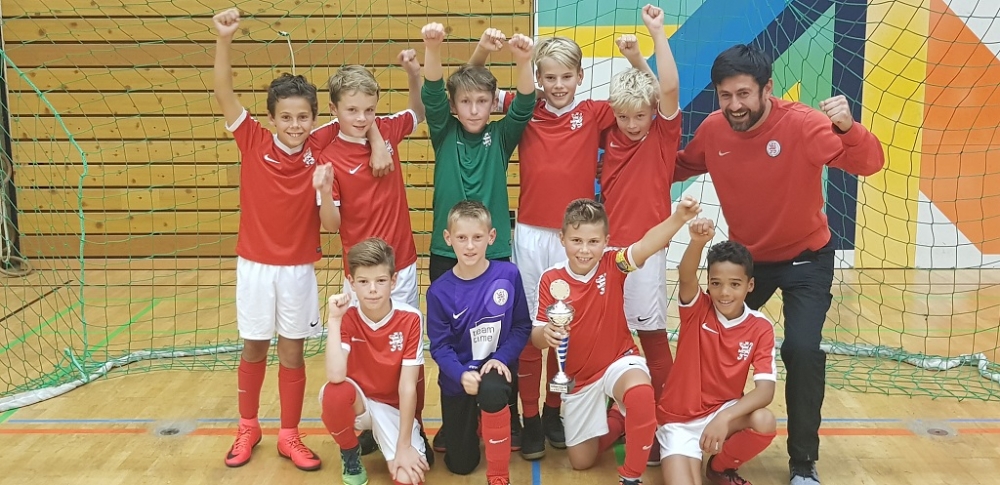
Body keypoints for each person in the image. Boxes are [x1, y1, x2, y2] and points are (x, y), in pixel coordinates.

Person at [674, 44, 887, 485]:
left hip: (806, 257)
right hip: (748, 261)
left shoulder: (805, 124)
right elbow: (677, 166)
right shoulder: (714, 130)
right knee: (701, 338)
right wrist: (619, 156)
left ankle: (803, 463)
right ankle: (690, 430)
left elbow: (869, 163)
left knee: (802, 351)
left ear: (766, 88)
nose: (734, 105)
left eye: (744, 94)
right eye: (726, 95)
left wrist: (849, 127)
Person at [467, 26, 660, 459]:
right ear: (537, 77)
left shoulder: (595, 112)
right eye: (550, 77)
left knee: (568, 326)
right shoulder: (523, 105)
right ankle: (531, 418)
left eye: (566, 77)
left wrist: (636, 58)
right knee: (532, 327)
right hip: (530, 236)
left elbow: (650, 101)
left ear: (580, 77)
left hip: (576, 240)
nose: (558, 85)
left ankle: (556, 409)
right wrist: (482, 51)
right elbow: (468, 87)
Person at [420, 23, 536, 455]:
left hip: (496, 256)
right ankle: (457, 422)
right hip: (445, 256)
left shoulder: (501, 137)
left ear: (492, 103)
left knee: (501, 338)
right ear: (454, 106)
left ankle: (509, 416)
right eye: (465, 102)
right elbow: (433, 90)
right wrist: (432, 47)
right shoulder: (443, 131)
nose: (473, 109)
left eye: (482, 101)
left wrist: (524, 60)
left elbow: (526, 103)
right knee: (453, 342)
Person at [533, 196, 701, 485]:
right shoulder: (551, 279)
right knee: (581, 461)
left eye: (593, 242)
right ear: (562, 239)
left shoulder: (614, 264)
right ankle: (619, 420)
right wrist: (546, 333)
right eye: (576, 241)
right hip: (579, 379)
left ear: (606, 242)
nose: (584, 249)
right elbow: (536, 338)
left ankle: (631, 475)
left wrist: (679, 217)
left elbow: (646, 245)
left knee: (640, 393)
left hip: (618, 361)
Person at [314, 56, 433, 463]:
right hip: (360, 275)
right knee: (360, 353)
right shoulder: (328, 153)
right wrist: (324, 190)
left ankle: (414, 424)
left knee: (407, 352)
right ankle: (365, 425)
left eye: (369, 109)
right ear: (334, 110)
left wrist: (413, 76)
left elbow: (417, 111)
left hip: (400, 267)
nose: (362, 118)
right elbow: (331, 224)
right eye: (352, 110)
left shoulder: (387, 130)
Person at [599, 6, 682, 464]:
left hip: (646, 253)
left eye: (640, 117)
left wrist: (655, 34)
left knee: (651, 335)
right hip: (606, 252)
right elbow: (641, 95)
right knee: (608, 337)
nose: (632, 125)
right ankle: (615, 411)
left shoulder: (661, 136)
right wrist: (633, 63)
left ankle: (663, 421)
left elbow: (665, 89)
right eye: (624, 117)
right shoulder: (610, 132)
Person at [657, 217, 777, 485]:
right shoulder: (697, 309)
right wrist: (697, 242)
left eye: (734, 284)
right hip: (679, 420)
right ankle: (671, 447)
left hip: (724, 411)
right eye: (716, 283)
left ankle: (720, 468)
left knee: (764, 420)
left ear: (750, 285)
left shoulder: (760, 327)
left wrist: (724, 417)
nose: (724, 293)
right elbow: (686, 274)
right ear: (708, 283)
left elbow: (765, 392)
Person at [425, 200, 532, 485]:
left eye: (477, 237)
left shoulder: (509, 275)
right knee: (460, 465)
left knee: (493, 390)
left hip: (494, 370)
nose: (470, 246)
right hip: (458, 378)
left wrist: (501, 358)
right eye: (461, 237)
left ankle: (498, 473)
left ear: (491, 237)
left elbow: (522, 326)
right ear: (448, 238)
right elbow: (440, 347)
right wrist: (461, 375)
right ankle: (472, 422)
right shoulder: (438, 292)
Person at [320, 238, 429, 485]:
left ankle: (395, 441)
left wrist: (403, 446)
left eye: (380, 281)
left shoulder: (410, 319)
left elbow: (408, 387)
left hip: (393, 408)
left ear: (393, 280)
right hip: (360, 405)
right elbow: (336, 376)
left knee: (409, 478)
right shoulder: (347, 317)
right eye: (363, 282)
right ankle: (350, 454)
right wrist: (334, 320)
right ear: (351, 283)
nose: (372, 289)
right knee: (334, 394)